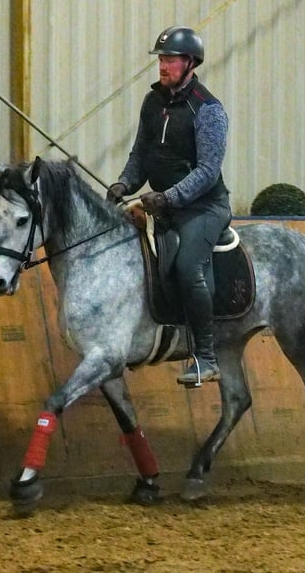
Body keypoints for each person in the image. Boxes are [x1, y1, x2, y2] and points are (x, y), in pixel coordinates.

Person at [106, 25, 233, 385]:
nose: (163, 66)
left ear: (190, 62)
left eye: (171, 59)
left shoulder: (208, 110)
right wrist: (124, 183)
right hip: (163, 207)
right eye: (161, 59)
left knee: (188, 267)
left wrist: (168, 197)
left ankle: (206, 357)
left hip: (203, 209)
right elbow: (140, 155)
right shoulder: (153, 102)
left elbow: (208, 171)